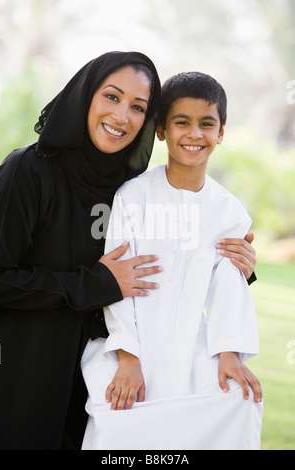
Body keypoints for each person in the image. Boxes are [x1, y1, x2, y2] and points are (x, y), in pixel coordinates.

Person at [81, 71, 263, 450]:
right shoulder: (134, 196)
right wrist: (128, 359)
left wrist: (229, 353)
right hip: (132, 342)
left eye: (206, 124)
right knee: (119, 425)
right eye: (182, 122)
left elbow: (228, 288)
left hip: (192, 345)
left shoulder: (228, 211)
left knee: (239, 402)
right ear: (161, 130)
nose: (194, 134)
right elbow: (118, 282)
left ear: (222, 132)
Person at [0, 51, 163, 450]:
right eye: (111, 96)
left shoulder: (133, 194)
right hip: (20, 382)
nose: (122, 116)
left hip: (93, 391)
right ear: (84, 96)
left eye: (138, 107)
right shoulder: (29, 172)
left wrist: (232, 264)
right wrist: (93, 284)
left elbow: (158, 270)